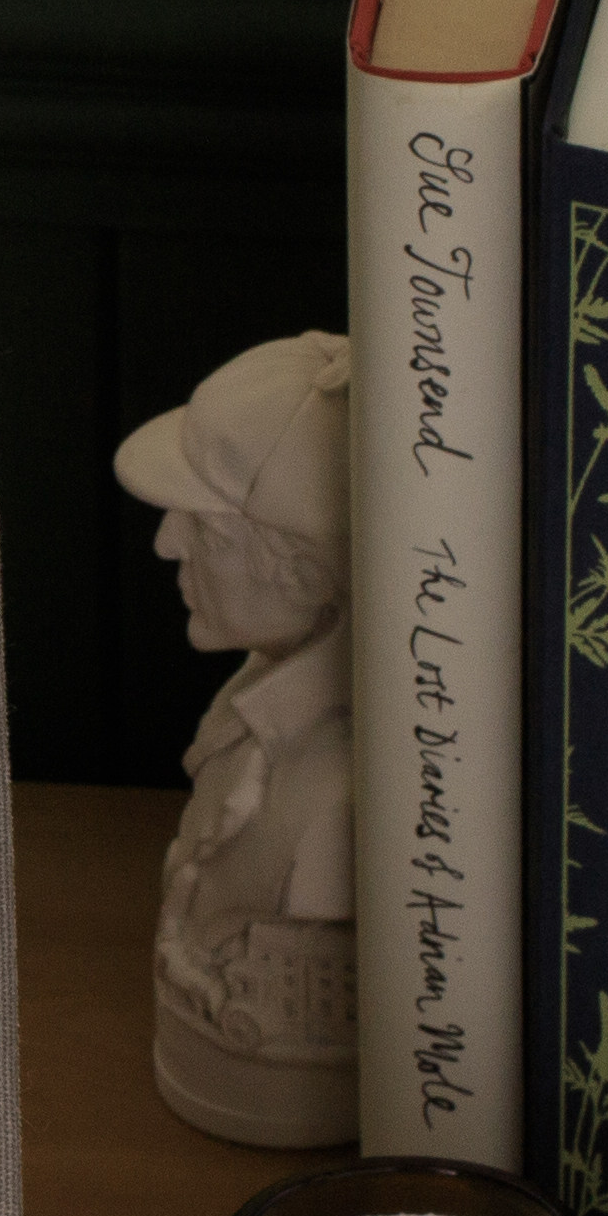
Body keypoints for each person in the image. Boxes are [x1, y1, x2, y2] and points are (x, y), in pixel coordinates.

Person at [113, 331, 356, 1146]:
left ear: (307, 578)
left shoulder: (335, 802)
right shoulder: (253, 704)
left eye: (211, 533)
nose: (166, 543)